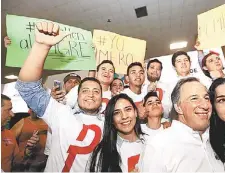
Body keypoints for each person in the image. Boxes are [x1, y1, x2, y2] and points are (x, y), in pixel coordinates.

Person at [15, 22, 104, 172]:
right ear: (77, 95)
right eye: (85, 90)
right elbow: (28, 88)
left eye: (96, 91)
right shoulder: (61, 114)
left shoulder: (110, 124)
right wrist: (41, 46)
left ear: (102, 98)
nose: (90, 94)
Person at [139, 77, 219, 172]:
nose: (205, 105)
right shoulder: (159, 145)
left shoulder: (217, 138)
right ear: (178, 107)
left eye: (206, 98)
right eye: (194, 98)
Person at [89, 94, 145, 172]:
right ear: (111, 120)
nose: (124, 116)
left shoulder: (150, 140)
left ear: (135, 112)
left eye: (128, 109)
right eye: (117, 113)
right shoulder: (102, 153)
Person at [1, 94, 39, 172]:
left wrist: (28, 149)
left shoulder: (9, 135)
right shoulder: (22, 122)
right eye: (9, 110)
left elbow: (17, 161)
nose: (12, 114)